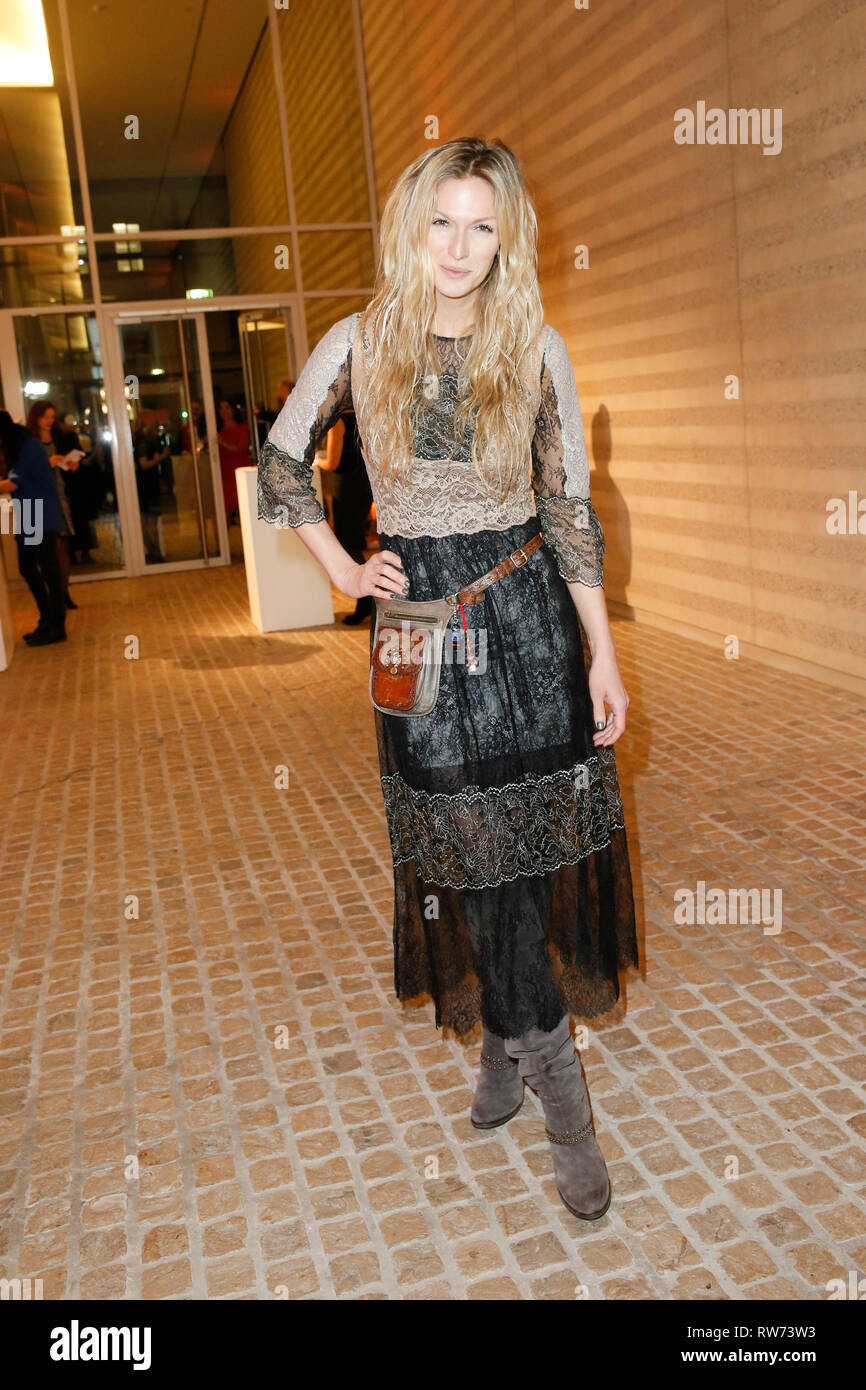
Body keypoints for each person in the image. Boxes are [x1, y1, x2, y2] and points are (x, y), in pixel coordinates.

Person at [257, 138, 638, 1223]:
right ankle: (542, 1062)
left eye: (481, 224)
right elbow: (283, 462)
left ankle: (529, 1071)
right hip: (414, 626)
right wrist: (340, 566)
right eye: (441, 222)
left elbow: (565, 511)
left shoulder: (535, 345)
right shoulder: (357, 340)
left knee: (515, 853)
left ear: (505, 233)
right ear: (409, 227)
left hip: (523, 618)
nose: (460, 247)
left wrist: (601, 647)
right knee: (456, 849)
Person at [0, 410, 67, 645]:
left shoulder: (27, 448)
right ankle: (48, 619)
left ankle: (55, 625)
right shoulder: (25, 444)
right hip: (32, 512)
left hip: (37, 513)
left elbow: (11, 483)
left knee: (46, 570)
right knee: (30, 568)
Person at [319, 405, 374, 624]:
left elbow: (332, 462)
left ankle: (366, 601)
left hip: (346, 489)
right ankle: (366, 601)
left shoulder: (338, 422)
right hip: (363, 485)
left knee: (348, 545)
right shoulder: (365, 416)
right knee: (353, 543)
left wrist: (317, 461)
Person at [26, 400, 79, 610]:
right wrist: (49, 463)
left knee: (64, 546)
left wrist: (68, 464)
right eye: (45, 416)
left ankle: (63, 591)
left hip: (59, 493)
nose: (49, 421)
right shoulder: (30, 440)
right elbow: (28, 471)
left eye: (51, 416)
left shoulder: (57, 436)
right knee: (51, 548)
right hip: (42, 497)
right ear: (36, 417)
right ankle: (55, 594)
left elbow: (60, 465)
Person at [216, 399, 250, 525]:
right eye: (221, 408)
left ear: (233, 410)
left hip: (239, 471)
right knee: (224, 511)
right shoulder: (218, 432)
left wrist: (221, 443)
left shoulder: (242, 428)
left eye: (227, 408)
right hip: (225, 474)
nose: (224, 411)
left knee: (244, 509)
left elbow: (241, 448)